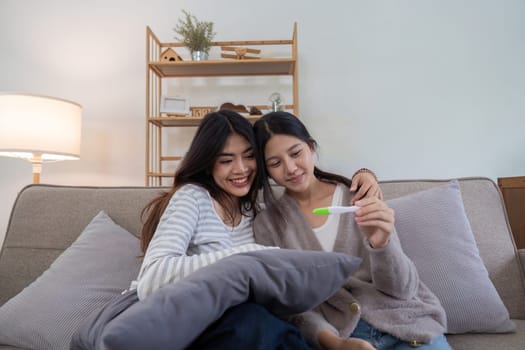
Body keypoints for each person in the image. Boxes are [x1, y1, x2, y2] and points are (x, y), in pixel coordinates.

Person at [133, 109, 381, 349]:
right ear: (208, 164)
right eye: (226, 160)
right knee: (254, 323)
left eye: (249, 156)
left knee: (277, 327)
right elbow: (151, 278)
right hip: (203, 324)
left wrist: (365, 174)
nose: (241, 169)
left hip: (250, 327)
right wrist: (244, 258)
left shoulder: (255, 212)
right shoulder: (193, 198)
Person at [252, 111, 451, 350]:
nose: (291, 168)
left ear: (312, 148)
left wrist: (382, 245)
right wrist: (336, 343)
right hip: (347, 337)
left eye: (296, 153)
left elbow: (404, 290)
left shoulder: (360, 196)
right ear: (266, 170)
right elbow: (292, 308)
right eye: (275, 163)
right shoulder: (268, 225)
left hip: (409, 327)